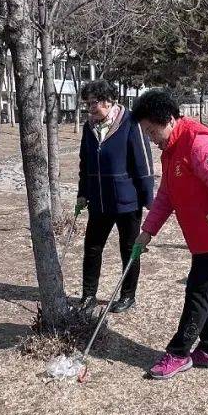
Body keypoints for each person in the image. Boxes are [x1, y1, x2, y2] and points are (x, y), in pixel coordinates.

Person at [132, 89, 208, 380]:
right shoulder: (171, 150)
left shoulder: (199, 144)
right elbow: (167, 196)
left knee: (197, 292)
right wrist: (147, 231)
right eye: (146, 132)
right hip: (200, 235)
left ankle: (179, 352)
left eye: (152, 130)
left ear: (169, 119)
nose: (150, 138)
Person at [76, 79, 155, 313]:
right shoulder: (89, 127)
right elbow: (85, 163)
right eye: (87, 103)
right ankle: (88, 295)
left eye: (95, 103)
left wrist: (148, 198)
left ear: (109, 101)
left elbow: (143, 163)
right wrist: (82, 193)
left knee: (129, 249)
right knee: (92, 248)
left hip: (127, 201)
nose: (91, 108)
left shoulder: (131, 122)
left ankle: (128, 295)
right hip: (99, 201)